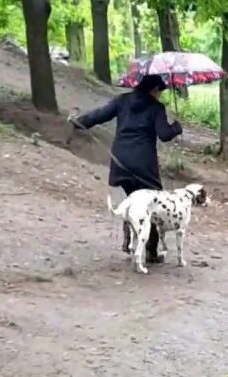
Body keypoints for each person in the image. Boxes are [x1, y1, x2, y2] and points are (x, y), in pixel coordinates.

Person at [70, 73, 183, 263]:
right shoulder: (156, 108)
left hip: (121, 160)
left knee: (133, 200)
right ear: (154, 89)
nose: (160, 96)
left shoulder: (122, 100)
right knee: (153, 206)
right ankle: (151, 252)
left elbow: (99, 115)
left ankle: (129, 240)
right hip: (144, 164)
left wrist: (79, 121)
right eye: (159, 92)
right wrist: (176, 128)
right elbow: (164, 134)